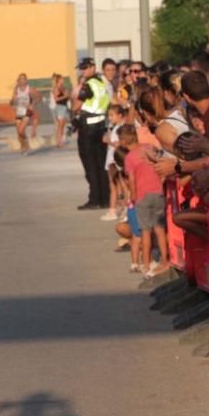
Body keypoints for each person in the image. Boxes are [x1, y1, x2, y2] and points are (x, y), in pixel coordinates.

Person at [119, 124, 169, 278]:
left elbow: (132, 180)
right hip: (158, 192)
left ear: (122, 141)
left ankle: (146, 264)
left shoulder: (129, 158)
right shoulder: (148, 147)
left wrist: (133, 197)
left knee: (145, 232)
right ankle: (165, 259)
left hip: (142, 196)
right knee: (160, 229)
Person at [72, 57, 111, 210]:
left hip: (87, 128)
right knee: (101, 165)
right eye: (82, 68)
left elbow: (76, 105)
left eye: (86, 68)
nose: (83, 70)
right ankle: (105, 198)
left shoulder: (88, 85)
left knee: (90, 165)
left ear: (93, 67)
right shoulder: (101, 83)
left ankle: (94, 199)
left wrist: (77, 94)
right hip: (100, 126)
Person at [10, 73, 39, 154]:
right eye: (20, 79)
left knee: (21, 131)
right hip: (19, 111)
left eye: (24, 79)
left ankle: (25, 146)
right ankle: (24, 145)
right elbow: (12, 100)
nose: (22, 80)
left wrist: (32, 104)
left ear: (26, 80)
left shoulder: (29, 89)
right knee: (19, 133)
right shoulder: (16, 89)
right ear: (18, 80)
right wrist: (12, 101)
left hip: (27, 111)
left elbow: (39, 97)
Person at [51, 73, 71, 147]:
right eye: (61, 79)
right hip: (60, 107)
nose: (63, 80)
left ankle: (60, 140)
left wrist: (67, 96)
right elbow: (56, 99)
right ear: (58, 80)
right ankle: (59, 141)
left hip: (64, 106)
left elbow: (66, 97)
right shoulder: (57, 88)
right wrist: (65, 96)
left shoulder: (63, 87)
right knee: (60, 125)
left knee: (63, 125)